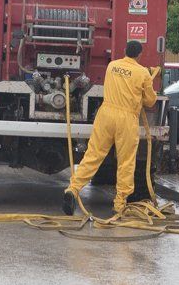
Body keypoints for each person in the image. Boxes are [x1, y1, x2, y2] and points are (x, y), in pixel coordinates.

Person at [63, 40, 157, 215]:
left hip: (105, 114)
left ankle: (73, 189)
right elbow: (150, 101)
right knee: (126, 161)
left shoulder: (112, 66)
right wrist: (147, 82)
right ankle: (120, 204)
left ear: (124, 50)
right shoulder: (143, 73)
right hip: (127, 119)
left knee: (93, 155)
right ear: (139, 55)